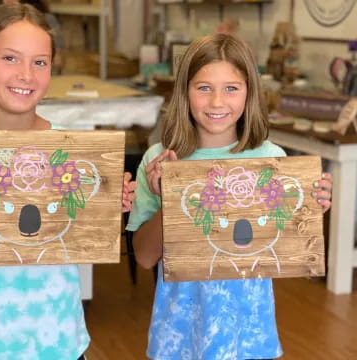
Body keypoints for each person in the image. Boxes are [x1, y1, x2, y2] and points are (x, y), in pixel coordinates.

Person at [0, 4, 135, 359]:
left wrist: (112, 205)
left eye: (40, 62)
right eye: (10, 58)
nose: (26, 75)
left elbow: (86, 235)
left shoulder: (71, 152)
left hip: (61, 342)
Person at [125, 33, 332, 360]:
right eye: (204, 88)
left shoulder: (272, 159)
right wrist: (171, 199)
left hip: (248, 332)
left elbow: (289, 243)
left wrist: (312, 205)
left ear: (249, 93)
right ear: (185, 91)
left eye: (231, 88)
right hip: (178, 332)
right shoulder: (159, 159)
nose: (217, 102)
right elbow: (145, 258)